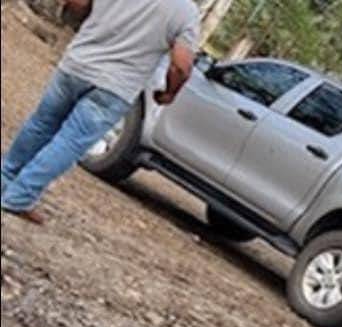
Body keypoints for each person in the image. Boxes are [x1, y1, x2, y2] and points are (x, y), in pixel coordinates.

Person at [0, 0, 200, 224]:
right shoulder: (185, 12)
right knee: (69, 143)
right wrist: (169, 92)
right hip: (115, 87)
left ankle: (4, 179)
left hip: (76, 65)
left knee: (40, 125)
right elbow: (181, 66)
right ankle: (18, 197)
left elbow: (76, 3)